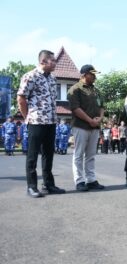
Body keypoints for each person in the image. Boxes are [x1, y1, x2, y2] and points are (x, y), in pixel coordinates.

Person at [17, 49, 65, 197]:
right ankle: (31, 186)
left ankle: (48, 184)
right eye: (53, 61)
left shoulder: (52, 78)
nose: (55, 63)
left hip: (51, 121)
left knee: (48, 154)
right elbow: (21, 98)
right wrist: (28, 118)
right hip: (36, 121)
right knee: (32, 155)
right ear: (43, 61)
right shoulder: (30, 76)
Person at [67, 64, 105, 192]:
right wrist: (90, 120)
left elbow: (101, 107)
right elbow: (75, 109)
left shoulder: (96, 91)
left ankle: (91, 180)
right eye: (92, 74)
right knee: (78, 155)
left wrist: (99, 118)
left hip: (94, 126)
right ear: (84, 75)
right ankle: (79, 181)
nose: (95, 76)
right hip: (81, 126)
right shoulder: (75, 89)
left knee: (91, 155)